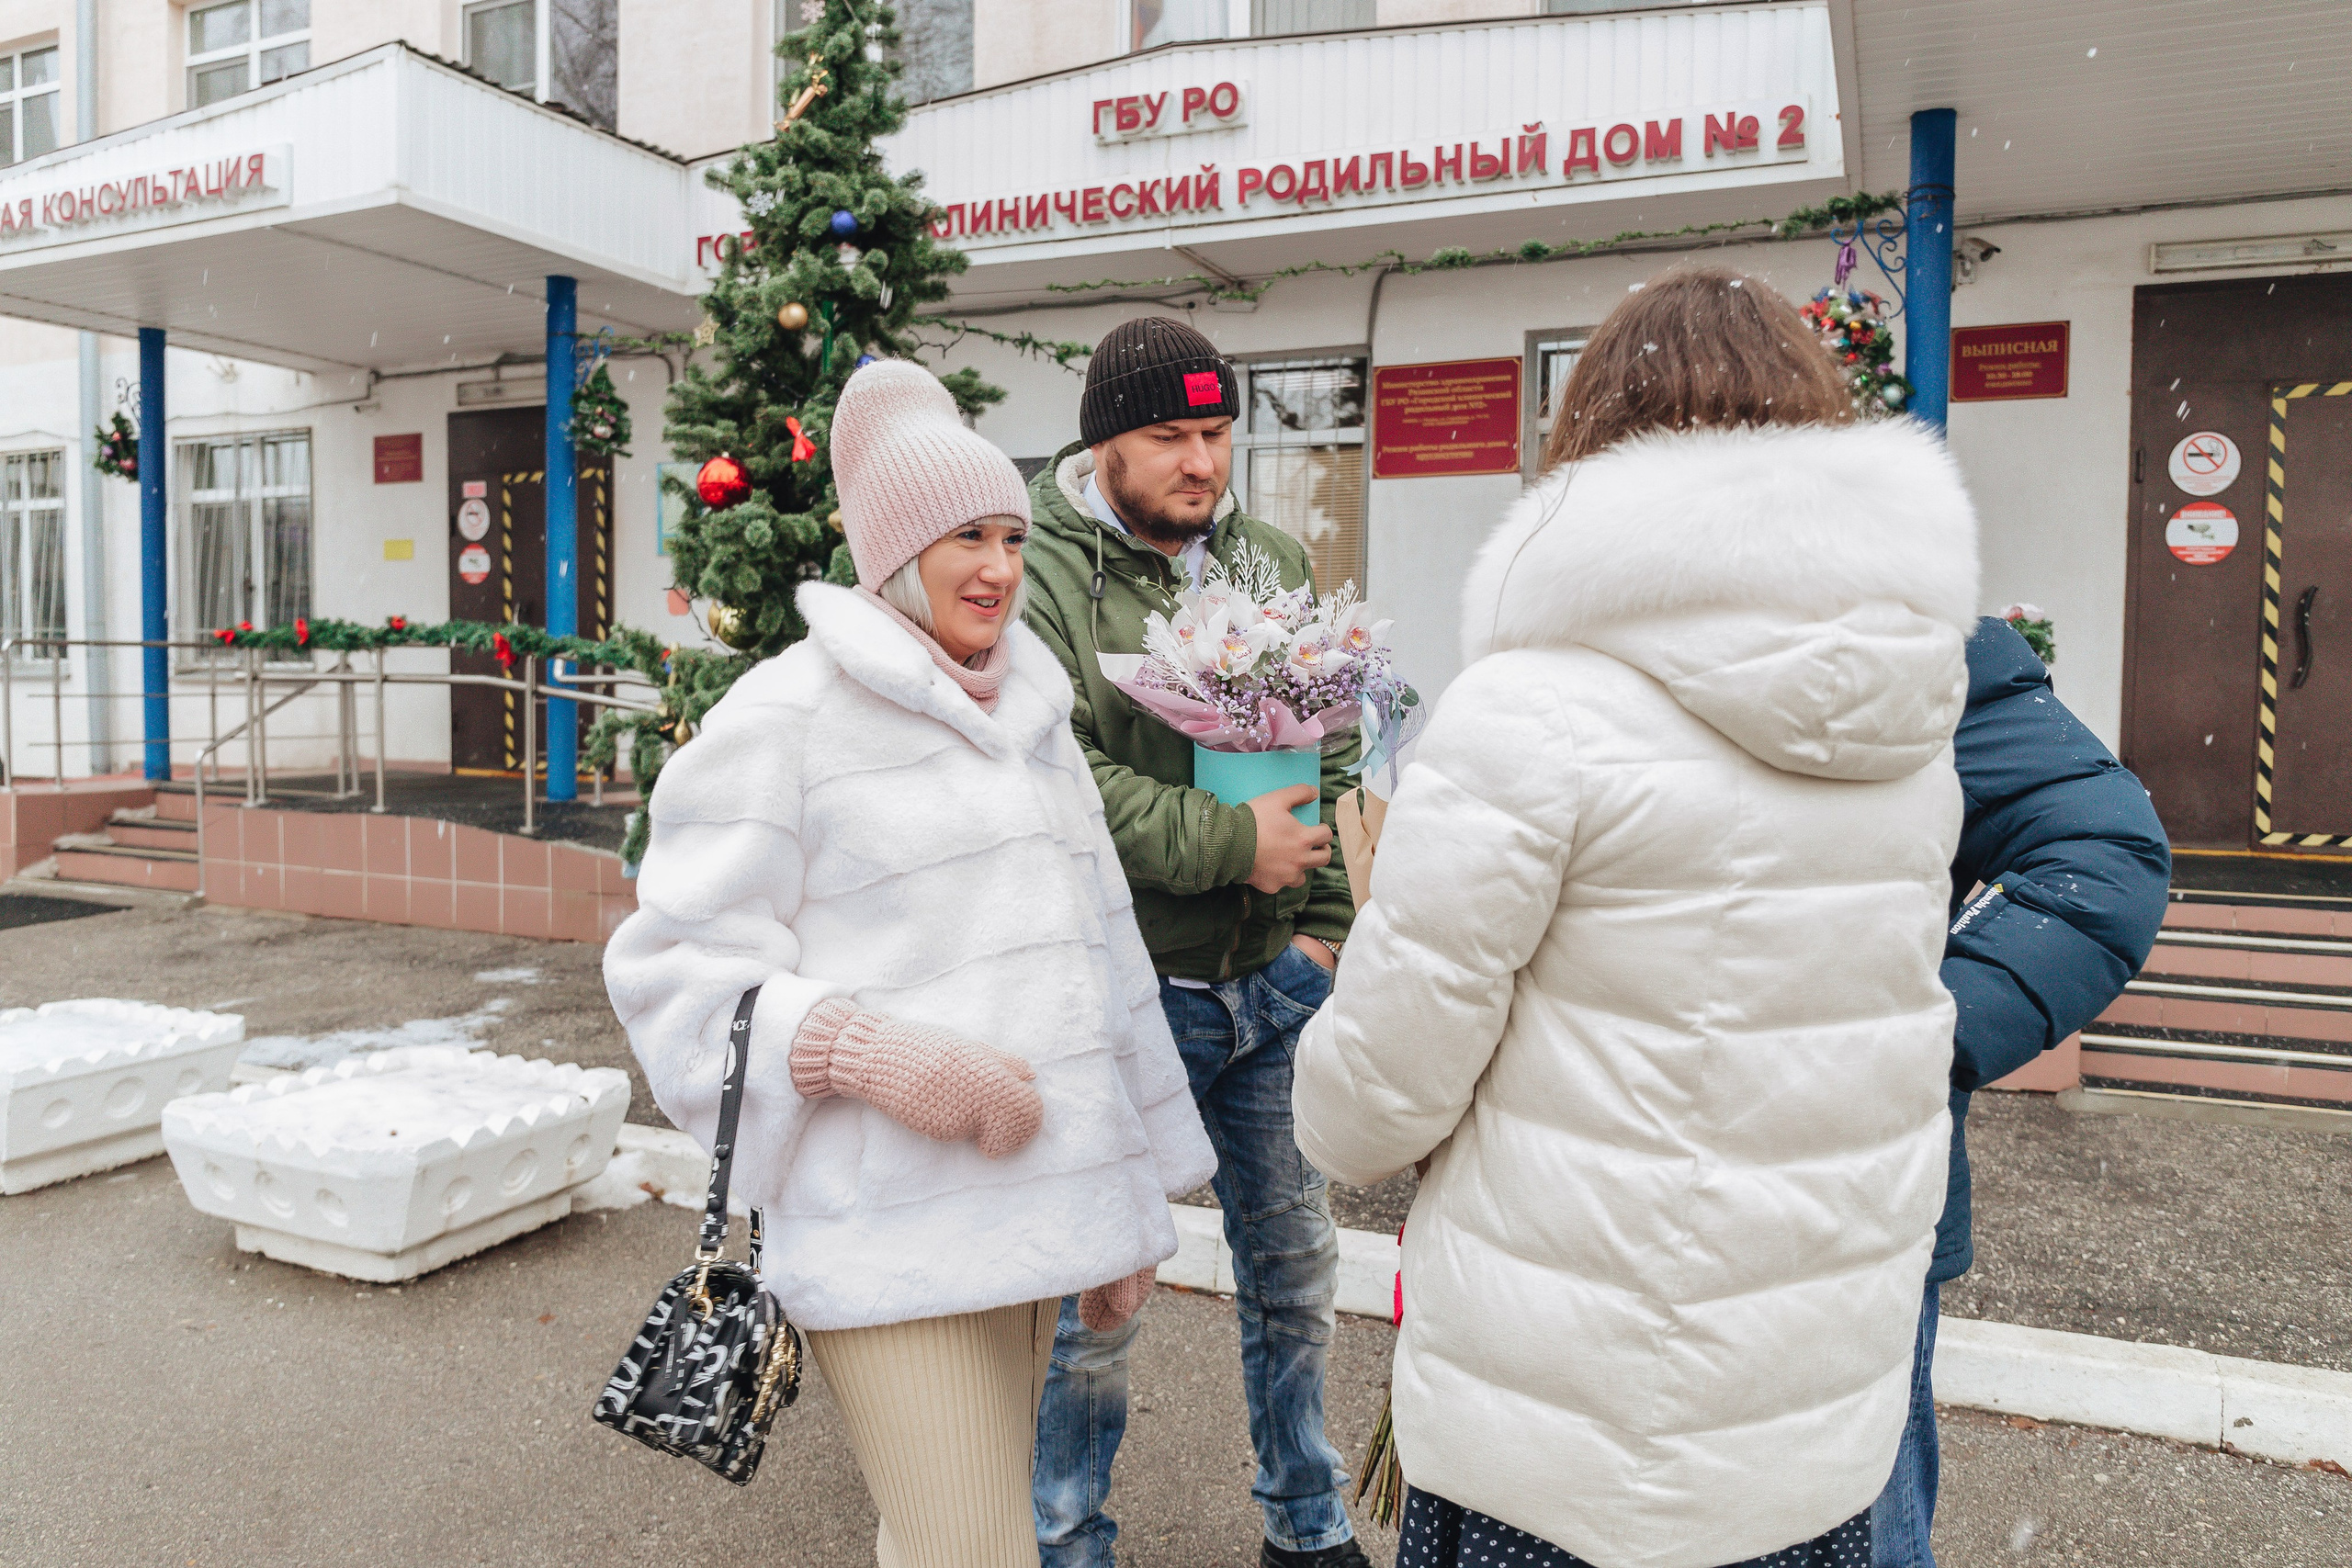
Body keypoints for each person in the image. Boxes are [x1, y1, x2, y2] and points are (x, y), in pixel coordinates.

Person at [1289, 265, 1981, 1568]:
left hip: (1568, 1448)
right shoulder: (1912, 732)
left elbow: (1365, 1115)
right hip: (1810, 1434)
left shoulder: (1531, 713)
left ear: (1588, 446)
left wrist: (1381, 925)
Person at [605, 359, 1216, 1568]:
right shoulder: (788, 721)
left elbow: (1107, 971)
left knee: (940, 1538)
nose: (996, 566)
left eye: (1009, 534)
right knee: (978, 1551)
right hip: (884, 1229)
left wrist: (1128, 1209)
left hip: (1032, 1219)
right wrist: (865, 1049)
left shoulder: (1033, 722)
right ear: (893, 553)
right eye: (962, 537)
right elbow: (672, 965)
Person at [1021, 315, 1372, 1568]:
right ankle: (1067, 1538)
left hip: (1272, 986)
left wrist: (1320, 928)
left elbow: (1334, 751)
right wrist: (1234, 847)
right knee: (1098, 1299)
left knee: (1294, 1265)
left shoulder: (1268, 558)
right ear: (1103, 438)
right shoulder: (1040, 571)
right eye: (1170, 435)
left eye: (1217, 432)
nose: (1202, 461)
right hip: (1128, 992)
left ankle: (1308, 1521)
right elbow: (1061, 781)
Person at [1869, 619, 2170, 1567]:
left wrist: (1909, 1037)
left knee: (1864, 1519)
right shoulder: (1567, 653)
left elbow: (2100, 859)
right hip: (1573, 1206)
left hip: (1857, 1199)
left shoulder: (1910, 637)